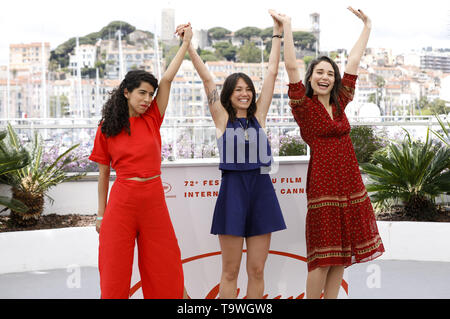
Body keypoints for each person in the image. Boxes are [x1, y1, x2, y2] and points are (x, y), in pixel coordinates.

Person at [271, 8, 385, 299]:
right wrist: (287, 27)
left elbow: (354, 61)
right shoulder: (304, 108)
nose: (325, 77)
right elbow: (291, 67)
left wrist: (368, 26)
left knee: (341, 257)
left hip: (349, 185)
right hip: (323, 187)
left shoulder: (341, 102)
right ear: (310, 78)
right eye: (319, 72)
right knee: (322, 257)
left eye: (330, 73)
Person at [177, 12, 286, 299]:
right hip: (233, 193)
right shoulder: (222, 119)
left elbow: (273, 72)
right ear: (229, 94)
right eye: (239, 89)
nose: (245, 94)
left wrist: (277, 34)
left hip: (262, 191)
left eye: (248, 89)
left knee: (258, 270)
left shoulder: (259, 116)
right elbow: (207, 79)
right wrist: (188, 45)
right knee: (229, 271)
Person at [89, 24, 193, 299]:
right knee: (113, 272)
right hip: (121, 203)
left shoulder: (153, 119)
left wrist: (185, 44)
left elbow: (168, 79)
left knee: (165, 266)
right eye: (142, 93)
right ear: (126, 92)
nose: (148, 99)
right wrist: (100, 214)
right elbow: (102, 175)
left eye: (151, 94)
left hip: (153, 200)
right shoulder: (107, 127)